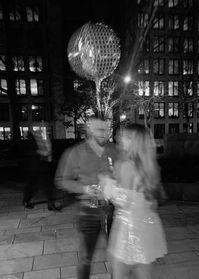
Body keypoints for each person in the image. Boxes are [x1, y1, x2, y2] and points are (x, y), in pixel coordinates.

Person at [100, 123, 167, 279]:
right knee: (144, 269)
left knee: (118, 273)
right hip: (148, 226)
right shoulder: (151, 166)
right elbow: (153, 201)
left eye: (126, 136)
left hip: (128, 228)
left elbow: (123, 202)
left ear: (135, 142)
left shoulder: (125, 165)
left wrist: (106, 184)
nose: (120, 138)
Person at [55, 116, 118, 279]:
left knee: (118, 255)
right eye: (100, 130)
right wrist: (85, 189)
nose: (105, 134)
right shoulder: (74, 153)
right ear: (90, 130)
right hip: (88, 212)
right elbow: (61, 180)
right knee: (86, 257)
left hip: (113, 210)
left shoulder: (115, 150)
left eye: (107, 129)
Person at [23, 130, 61, 211]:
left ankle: (50, 204)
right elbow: (29, 152)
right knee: (31, 186)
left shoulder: (42, 139)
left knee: (47, 186)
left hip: (42, 166)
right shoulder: (31, 141)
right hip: (33, 168)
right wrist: (41, 153)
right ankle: (26, 201)